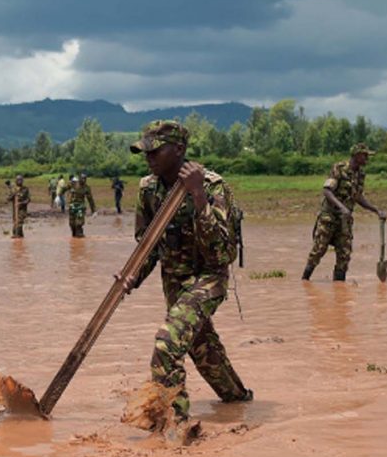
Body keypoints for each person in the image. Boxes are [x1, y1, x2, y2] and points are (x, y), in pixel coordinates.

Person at [120, 120, 252, 431]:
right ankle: (237, 401)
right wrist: (132, 277)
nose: (148, 158)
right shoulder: (148, 190)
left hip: (208, 279)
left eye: (155, 151)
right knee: (202, 347)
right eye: (145, 152)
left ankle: (172, 425)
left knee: (167, 343)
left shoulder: (212, 187)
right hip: (174, 282)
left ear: (179, 150)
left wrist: (197, 197)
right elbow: (148, 245)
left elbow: (222, 254)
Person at [302, 142, 387, 281]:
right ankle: (304, 281)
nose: (367, 159)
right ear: (357, 155)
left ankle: (339, 288)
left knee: (344, 255)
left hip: (344, 220)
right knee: (318, 251)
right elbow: (327, 191)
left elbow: (358, 196)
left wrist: (376, 210)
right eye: (365, 155)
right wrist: (342, 207)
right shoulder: (339, 168)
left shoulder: (360, 174)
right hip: (329, 217)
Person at [67, 173, 96, 237]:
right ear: (79, 178)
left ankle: (80, 234)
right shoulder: (73, 184)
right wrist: (58, 195)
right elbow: (65, 188)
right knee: (71, 224)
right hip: (72, 206)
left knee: (79, 223)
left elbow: (90, 199)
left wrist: (94, 211)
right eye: (82, 178)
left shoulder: (86, 187)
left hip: (80, 207)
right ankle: (74, 236)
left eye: (85, 178)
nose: (83, 180)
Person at [8, 174, 31, 238]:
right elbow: (8, 199)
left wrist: (21, 203)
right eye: (18, 180)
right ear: (15, 181)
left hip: (22, 209)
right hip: (15, 209)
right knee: (15, 222)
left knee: (19, 222)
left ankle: (17, 235)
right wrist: (13, 195)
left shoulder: (25, 189)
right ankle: (20, 236)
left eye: (21, 180)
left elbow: (28, 199)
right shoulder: (13, 189)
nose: (19, 181)